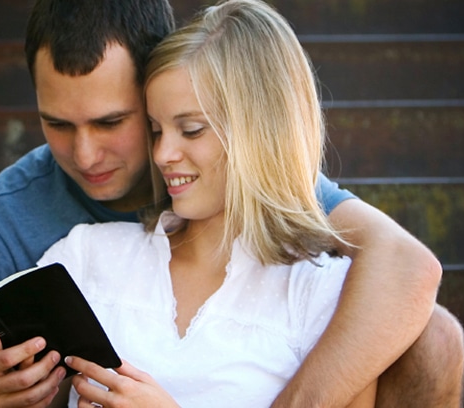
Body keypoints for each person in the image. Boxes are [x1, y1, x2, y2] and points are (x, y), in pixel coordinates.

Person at [0, 0, 464, 407]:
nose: (84, 154)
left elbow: (406, 264)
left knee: (432, 335)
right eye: (57, 124)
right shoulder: (4, 227)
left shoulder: (253, 189)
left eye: (113, 122)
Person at [36, 2, 378, 405]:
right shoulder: (85, 256)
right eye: (156, 129)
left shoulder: (324, 293)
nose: (162, 154)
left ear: (260, 132)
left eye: (191, 130)